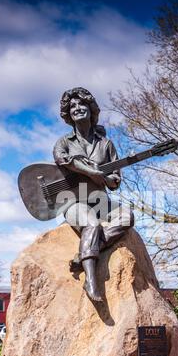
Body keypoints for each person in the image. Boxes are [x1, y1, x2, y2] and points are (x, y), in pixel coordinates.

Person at [53, 87, 134, 302]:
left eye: (82, 104)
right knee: (92, 224)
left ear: (91, 109)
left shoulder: (106, 144)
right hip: (73, 201)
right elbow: (62, 159)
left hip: (100, 201)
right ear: (68, 115)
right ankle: (91, 281)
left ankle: (85, 252)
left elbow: (116, 181)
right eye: (72, 106)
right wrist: (91, 172)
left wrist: (105, 179)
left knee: (127, 216)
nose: (77, 108)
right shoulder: (64, 143)